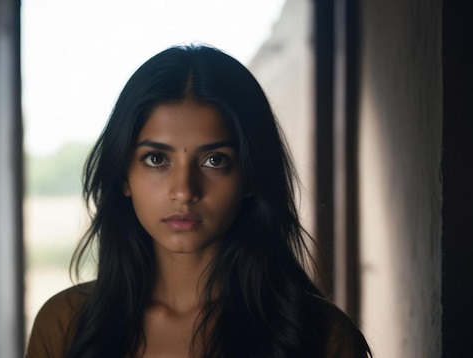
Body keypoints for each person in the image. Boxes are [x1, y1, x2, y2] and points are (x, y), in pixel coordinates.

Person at [26, 44, 371, 358]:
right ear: (123, 176)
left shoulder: (321, 336)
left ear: (250, 176)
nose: (184, 190)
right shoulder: (65, 326)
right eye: (157, 159)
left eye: (215, 160)